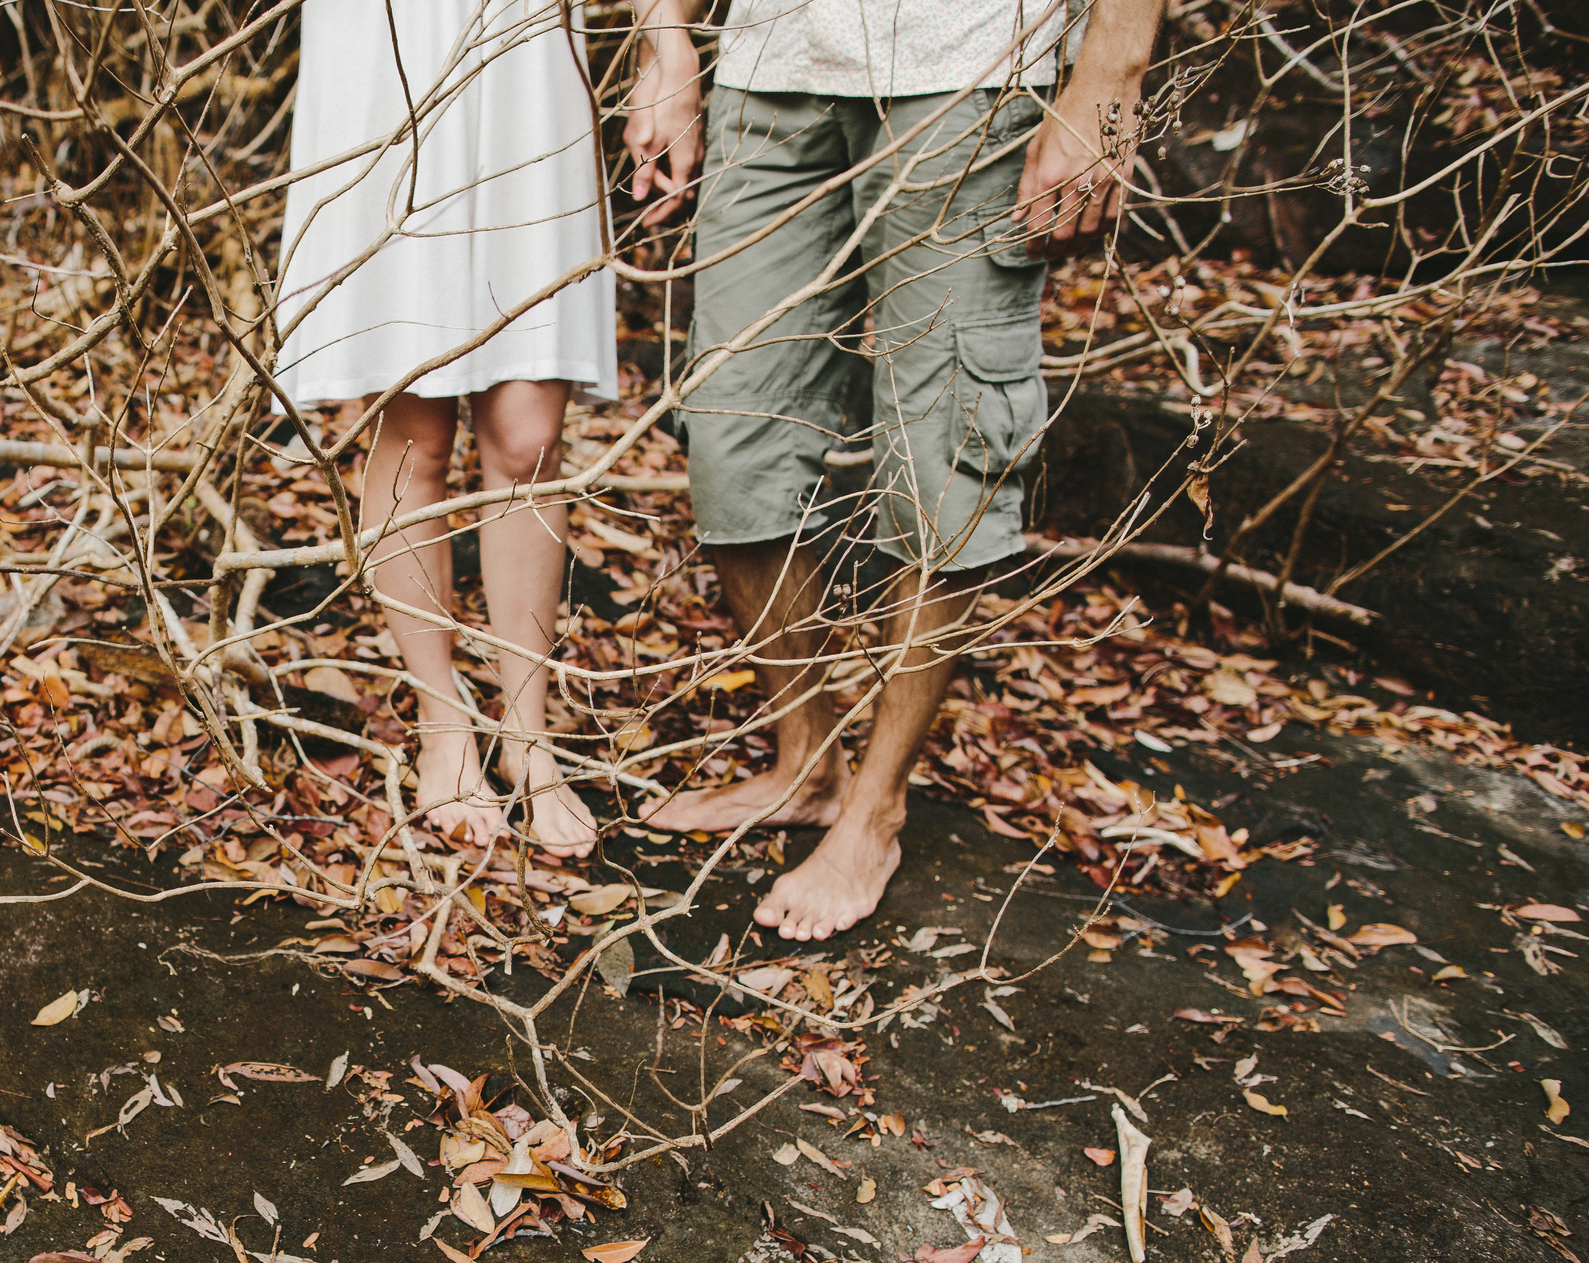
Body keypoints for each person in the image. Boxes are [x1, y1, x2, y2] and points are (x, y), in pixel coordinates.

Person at [640, 0, 1165, 938]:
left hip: (968, 66)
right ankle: (804, 763)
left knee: (945, 449)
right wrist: (667, 36)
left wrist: (1104, 84)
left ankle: (875, 807)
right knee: (730, 429)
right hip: (770, 62)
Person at [273, 0, 704, 857]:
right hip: (389, 43)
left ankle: (528, 736)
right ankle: (445, 724)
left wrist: (668, 43)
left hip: (529, 47)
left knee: (527, 437)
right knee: (416, 420)